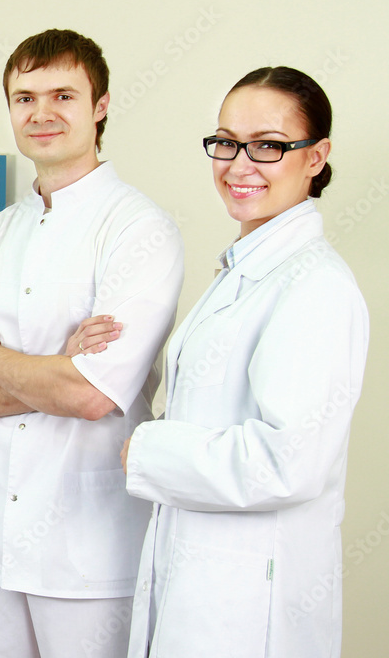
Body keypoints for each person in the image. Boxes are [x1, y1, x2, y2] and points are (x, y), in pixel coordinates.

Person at [0, 28, 184, 658]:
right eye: (24, 98)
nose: (41, 113)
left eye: (63, 95)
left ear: (99, 107)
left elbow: (89, 395)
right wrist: (48, 367)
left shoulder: (138, 228)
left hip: (87, 547)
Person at [118, 66, 369, 657]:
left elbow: (291, 461)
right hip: (205, 576)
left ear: (316, 157)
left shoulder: (315, 286)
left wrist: (150, 450)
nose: (238, 164)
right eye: (227, 142)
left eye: (269, 145)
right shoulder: (247, 268)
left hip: (249, 601)